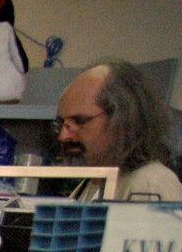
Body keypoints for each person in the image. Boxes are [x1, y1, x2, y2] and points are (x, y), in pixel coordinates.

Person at [56, 60, 182, 201]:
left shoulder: (149, 184)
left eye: (79, 121)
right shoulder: (95, 182)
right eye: (62, 124)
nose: (63, 136)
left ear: (122, 119)